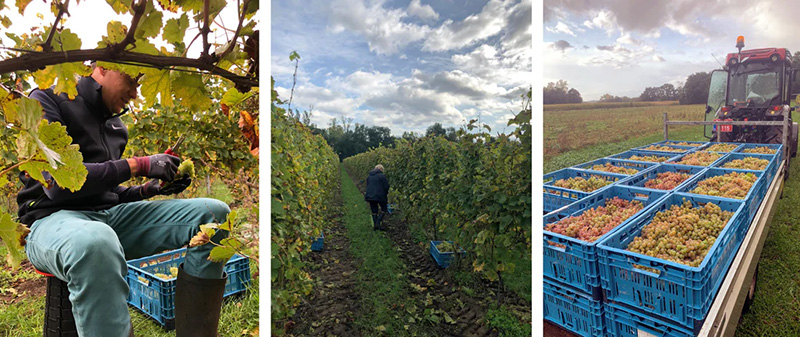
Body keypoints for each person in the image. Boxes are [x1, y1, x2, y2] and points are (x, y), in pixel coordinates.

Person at [17, 63, 230, 337]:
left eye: (140, 84)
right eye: (131, 80)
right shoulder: (47, 99)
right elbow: (57, 185)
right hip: (49, 222)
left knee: (212, 214)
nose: (135, 93)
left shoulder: (117, 127)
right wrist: (138, 164)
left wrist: (150, 189)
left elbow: (109, 195)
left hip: (105, 219)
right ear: (103, 67)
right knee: (94, 242)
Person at [364, 164, 390, 230]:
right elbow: (386, 186)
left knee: (374, 210)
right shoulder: (382, 176)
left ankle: (375, 225)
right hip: (380, 196)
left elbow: (367, 185)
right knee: (384, 209)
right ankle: (378, 223)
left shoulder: (369, 176)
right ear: (381, 169)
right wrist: (386, 193)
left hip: (370, 195)